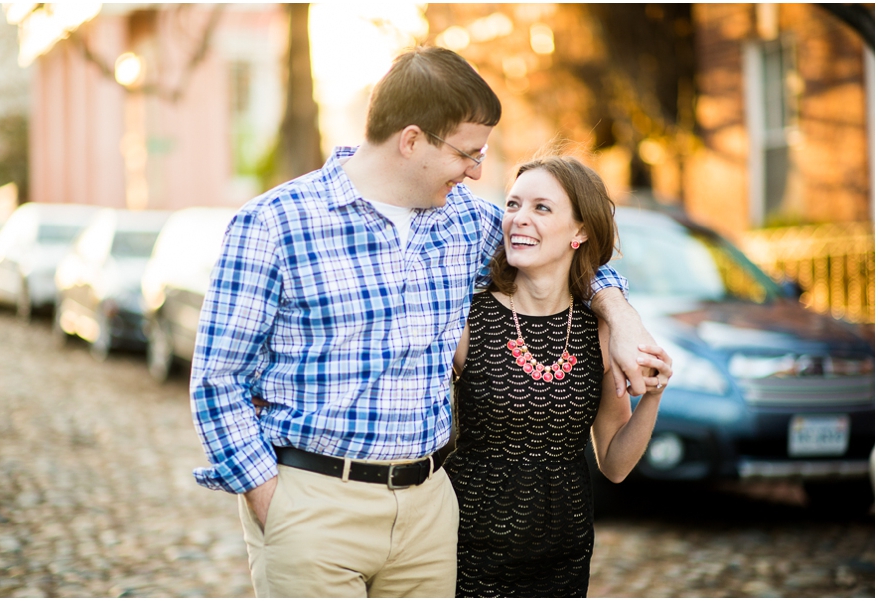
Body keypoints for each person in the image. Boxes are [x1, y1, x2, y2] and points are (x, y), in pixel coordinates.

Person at [190, 46, 658, 598]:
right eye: (468, 152)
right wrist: (273, 499)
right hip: (315, 500)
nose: (478, 171)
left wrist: (620, 318)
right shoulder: (274, 224)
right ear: (412, 141)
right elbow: (217, 381)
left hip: (431, 510)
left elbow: (567, 257)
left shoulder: (464, 219)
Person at [446, 155, 672, 597]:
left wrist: (653, 397)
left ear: (581, 231)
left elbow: (615, 464)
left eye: (541, 208)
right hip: (467, 546)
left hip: (565, 551)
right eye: (513, 205)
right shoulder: (469, 319)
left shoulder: (602, 331)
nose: (517, 220)